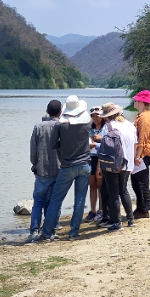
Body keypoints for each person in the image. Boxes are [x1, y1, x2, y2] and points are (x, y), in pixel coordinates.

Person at [34, 95, 91, 242]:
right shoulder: (87, 122)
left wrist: (65, 145)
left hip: (67, 166)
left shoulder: (61, 125)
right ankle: (73, 232)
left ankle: (46, 233)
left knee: (56, 199)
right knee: (79, 199)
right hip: (84, 164)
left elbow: (53, 144)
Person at [26, 99, 63, 243]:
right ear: (60, 112)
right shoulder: (62, 127)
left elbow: (33, 150)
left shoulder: (38, 127)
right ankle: (50, 231)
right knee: (54, 202)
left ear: (47, 111)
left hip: (41, 171)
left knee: (38, 202)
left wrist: (35, 164)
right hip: (59, 170)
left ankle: (34, 231)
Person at [97, 103, 136, 231]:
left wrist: (97, 140)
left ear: (107, 116)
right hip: (127, 164)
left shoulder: (108, 126)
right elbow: (134, 145)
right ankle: (130, 220)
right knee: (123, 191)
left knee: (113, 192)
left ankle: (117, 222)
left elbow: (104, 147)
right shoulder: (130, 125)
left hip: (112, 163)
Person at [131, 90, 150, 219]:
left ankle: (145, 209)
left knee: (141, 181)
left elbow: (142, 139)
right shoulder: (141, 115)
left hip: (143, 153)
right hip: (141, 153)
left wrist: (137, 156)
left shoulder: (145, 118)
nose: (134, 102)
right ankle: (140, 207)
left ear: (141, 102)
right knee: (136, 181)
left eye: (136, 101)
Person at [83, 106, 104, 224]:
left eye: (97, 116)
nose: (95, 118)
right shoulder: (88, 128)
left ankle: (101, 210)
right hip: (90, 157)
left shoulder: (106, 128)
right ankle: (92, 210)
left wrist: (99, 140)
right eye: (93, 116)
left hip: (101, 157)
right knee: (92, 184)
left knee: (100, 184)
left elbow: (107, 143)